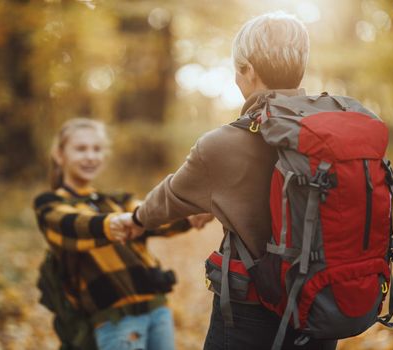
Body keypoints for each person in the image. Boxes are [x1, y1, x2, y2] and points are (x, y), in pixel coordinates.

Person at [110, 12, 338, 350]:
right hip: (322, 302)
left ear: (249, 71)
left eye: (237, 69)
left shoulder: (225, 143)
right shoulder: (332, 130)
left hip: (252, 308)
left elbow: (169, 197)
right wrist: (221, 206)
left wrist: (135, 219)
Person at [33, 118, 213, 350]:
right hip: (115, 322)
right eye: (81, 149)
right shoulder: (49, 203)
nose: (90, 156)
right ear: (59, 155)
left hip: (157, 310)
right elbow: (72, 225)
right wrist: (115, 223)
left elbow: (153, 217)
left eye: (97, 149)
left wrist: (188, 216)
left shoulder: (117, 200)